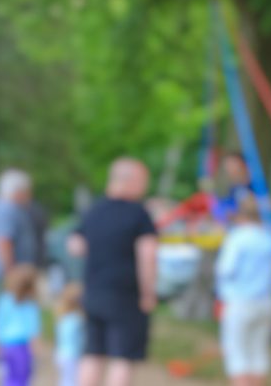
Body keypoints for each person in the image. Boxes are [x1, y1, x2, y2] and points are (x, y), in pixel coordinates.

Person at [68, 158, 158, 386]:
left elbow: (75, 245)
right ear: (132, 181)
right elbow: (147, 254)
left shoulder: (94, 210)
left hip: (93, 292)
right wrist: (148, 293)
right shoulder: (139, 214)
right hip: (126, 295)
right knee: (123, 358)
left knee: (92, 353)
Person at [216, 197, 271, 386]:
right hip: (266, 301)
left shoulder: (238, 237)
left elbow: (226, 269)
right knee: (259, 350)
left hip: (240, 301)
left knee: (237, 352)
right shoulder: (270, 238)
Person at [0, 170, 37, 299]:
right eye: (27, 191)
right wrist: (11, 274)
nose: (29, 195)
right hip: (8, 275)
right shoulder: (7, 209)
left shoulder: (0, 207)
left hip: (5, 274)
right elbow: (3, 242)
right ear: (17, 191)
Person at [0, 264, 40, 386]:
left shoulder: (4, 300)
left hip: (6, 345)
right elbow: (33, 329)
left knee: (10, 377)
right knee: (22, 377)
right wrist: (36, 348)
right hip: (21, 346)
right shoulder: (29, 304)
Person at [55, 284, 83, 386]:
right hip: (73, 355)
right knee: (74, 381)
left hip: (60, 354)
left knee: (65, 380)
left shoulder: (62, 319)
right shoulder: (78, 319)